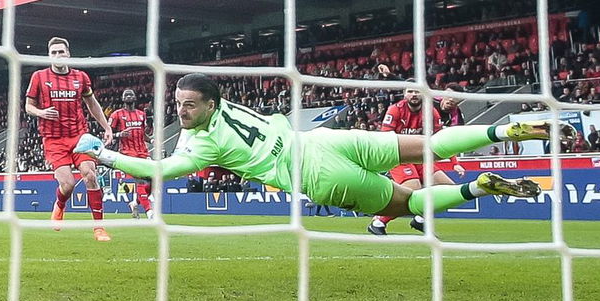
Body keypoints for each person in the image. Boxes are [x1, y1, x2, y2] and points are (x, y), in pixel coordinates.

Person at [72, 73, 545, 226]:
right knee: (429, 146)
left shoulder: (202, 144)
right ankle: (502, 133)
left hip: (316, 172)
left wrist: (103, 154)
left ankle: (476, 188)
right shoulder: (228, 104)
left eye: (189, 105)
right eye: (178, 104)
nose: (182, 112)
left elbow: (156, 171)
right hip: (322, 140)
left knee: (409, 204)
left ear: (209, 104)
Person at [25, 36, 116, 242]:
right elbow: (28, 106)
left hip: (79, 136)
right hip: (54, 139)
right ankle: (59, 204)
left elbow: (92, 104)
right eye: (54, 53)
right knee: (68, 184)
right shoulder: (39, 77)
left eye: (61, 52)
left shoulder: (81, 77)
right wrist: (40, 112)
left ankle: (99, 228)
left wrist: (106, 126)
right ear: (49, 56)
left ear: (68, 53)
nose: (58, 55)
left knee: (90, 175)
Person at [366, 85, 454, 236]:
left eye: (417, 91)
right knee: (413, 190)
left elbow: (441, 139)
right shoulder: (395, 110)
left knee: (449, 189)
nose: (414, 94)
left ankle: (420, 219)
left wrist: (455, 162)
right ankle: (379, 221)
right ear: (404, 94)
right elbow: (385, 138)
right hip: (399, 157)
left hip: (421, 158)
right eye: (410, 91)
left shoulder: (431, 111)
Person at [108, 89, 152, 219]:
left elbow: (143, 134)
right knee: (140, 180)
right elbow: (107, 133)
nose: (128, 96)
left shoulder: (141, 114)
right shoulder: (117, 114)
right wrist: (119, 135)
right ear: (122, 98)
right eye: (125, 94)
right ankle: (150, 212)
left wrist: (152, 139)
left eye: (131, 94)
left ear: (135, 97)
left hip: (143, 152)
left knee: (153, 181)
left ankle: (135, 203)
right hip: (128, 153)